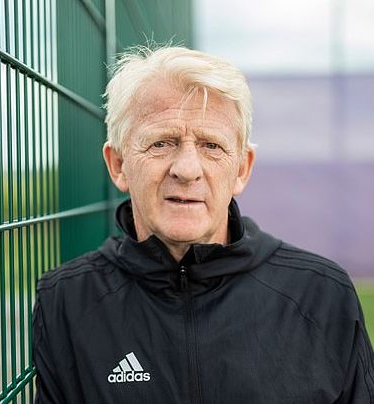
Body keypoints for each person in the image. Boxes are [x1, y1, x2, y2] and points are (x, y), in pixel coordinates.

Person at [32, 46, 374, 403]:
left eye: (211, 146)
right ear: (118, 164)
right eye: (161, 143)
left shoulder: (322, 295)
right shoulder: (67, 300)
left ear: (241, 168)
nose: (187, 169)